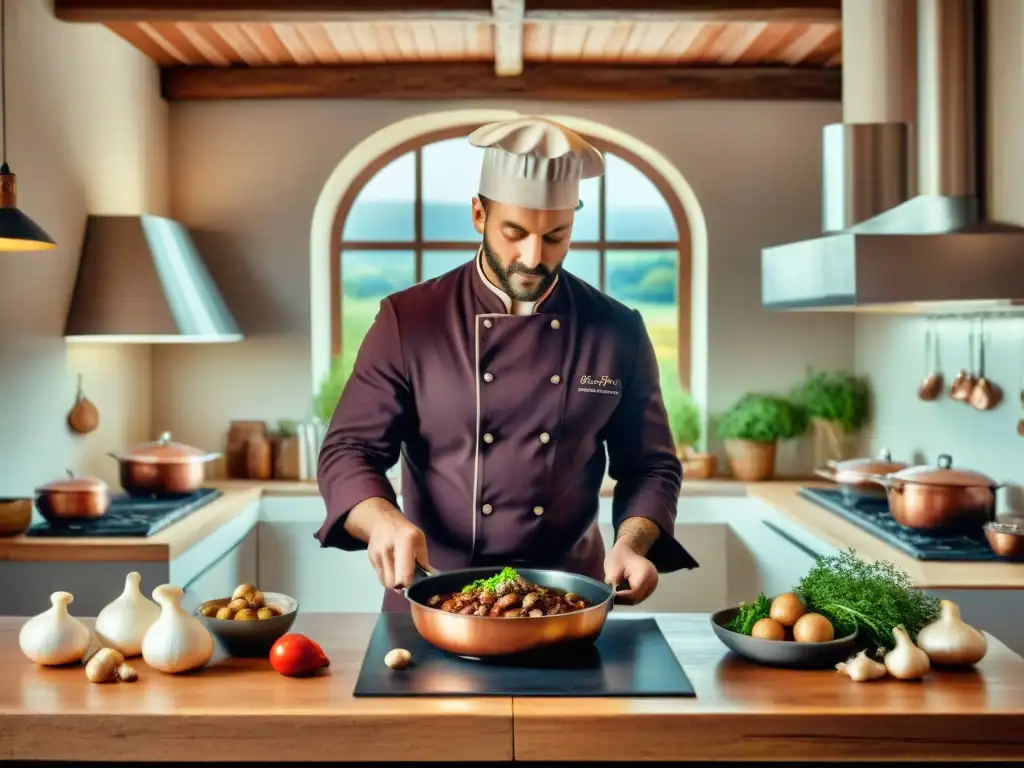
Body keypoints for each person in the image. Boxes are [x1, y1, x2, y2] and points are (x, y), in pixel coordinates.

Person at [315, 115, 698, 613]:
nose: (533, 257)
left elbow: (650, 465)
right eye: (513, 232)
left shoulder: (617, 329)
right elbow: (349, 449)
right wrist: (383, 519)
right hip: (435, 597)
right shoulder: (409, 321)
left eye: (555, 236)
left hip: (568, 601)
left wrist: (631, 543)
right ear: (479, 214)